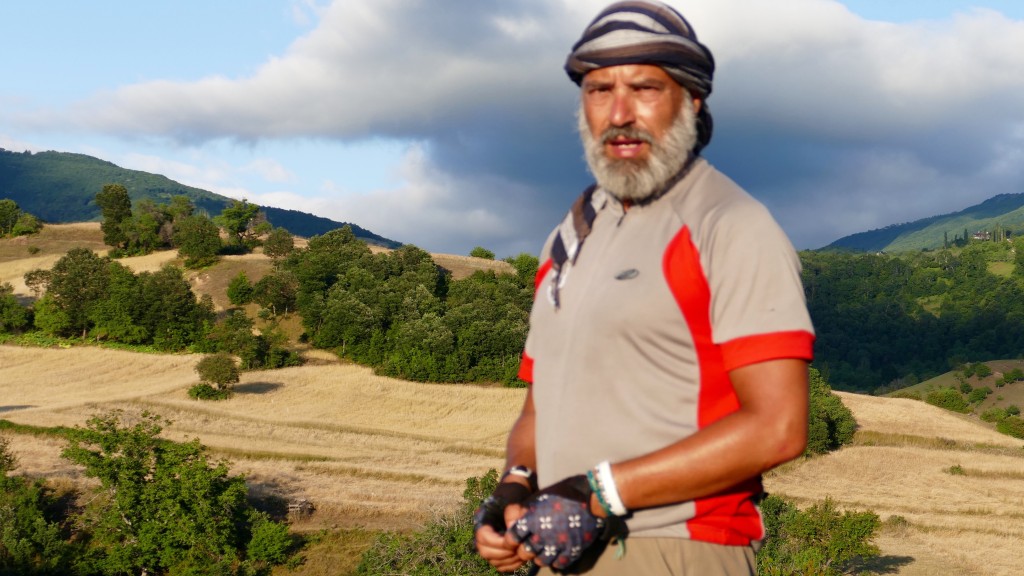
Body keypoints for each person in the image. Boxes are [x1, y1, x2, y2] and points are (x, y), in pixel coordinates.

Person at [474, 1, 816, 575]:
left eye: (645, 88)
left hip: (677, 548)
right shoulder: (571, 232)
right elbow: (542, 399)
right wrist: (516, 483)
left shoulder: (729, 224)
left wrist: (598, 492)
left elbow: (778, 428)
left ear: (691, 100)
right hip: (562, 552)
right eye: (599, 90)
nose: (619, 112)